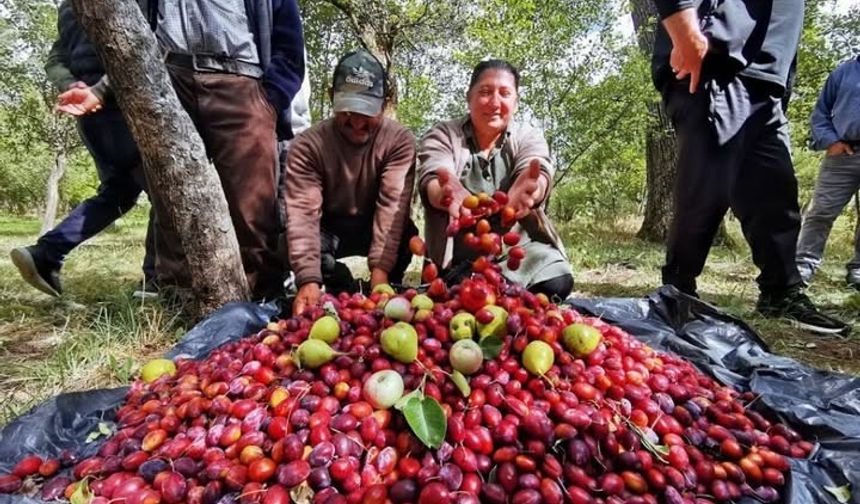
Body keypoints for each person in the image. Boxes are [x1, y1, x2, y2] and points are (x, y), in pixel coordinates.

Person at [58, 0, 306, 301]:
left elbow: (290, 44)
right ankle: (177, 300)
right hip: (170, 79)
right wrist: (99, 90)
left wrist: (269, 100)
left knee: (252, 208)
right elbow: (139, 38)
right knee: (171, 200)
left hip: (241, 82)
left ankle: (263, 302)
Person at [652, 0, 850, 334]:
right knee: (705, 187)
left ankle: (780, 292)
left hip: (768, 78)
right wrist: (684, 28)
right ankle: (677, 291)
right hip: (715, 59)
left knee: (775, 192)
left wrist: (783, 79)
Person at [10, 0, 155, 298]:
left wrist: (74, 86)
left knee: (119, 193)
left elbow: (54, 59)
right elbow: (140, 50)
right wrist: (98, 90)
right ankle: (158, 280)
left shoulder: (72, 5)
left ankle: (46, 253)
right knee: (163, 195)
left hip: (90, 114)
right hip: (121, 109)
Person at [417, 59, 573, 300]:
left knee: (557, 281)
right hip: (461, 259)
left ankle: (496, 287)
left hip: (518, 252)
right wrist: (444, 192)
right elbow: (434, 171)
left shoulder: (527, 136)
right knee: (457, 293)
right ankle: (481, 286)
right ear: (469, 98)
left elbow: (537, 166)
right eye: (485, 92)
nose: (495, 103)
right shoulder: (444, 134)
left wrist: (535, 187)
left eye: (505, 93)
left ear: (516, 102)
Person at [286, 50, 418, 315]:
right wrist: (308, 280)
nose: (357, 122)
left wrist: (380, 277)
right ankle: (337, 282)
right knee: (285, 243)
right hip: (329, 226)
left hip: (375, 223)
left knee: (406, 237)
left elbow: (392, 206)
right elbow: (302, 214)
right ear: (330, 96)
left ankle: (385, 281)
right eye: (348, 110)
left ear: (385, 103)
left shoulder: (399, 141)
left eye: (367, 111)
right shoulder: (308, 146)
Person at [795, 56, 860, 289]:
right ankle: (803, 264)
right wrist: (831, 141)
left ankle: (858, 269)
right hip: (844, 152)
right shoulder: (844, 72)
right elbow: (820, 112)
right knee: (821, 211)